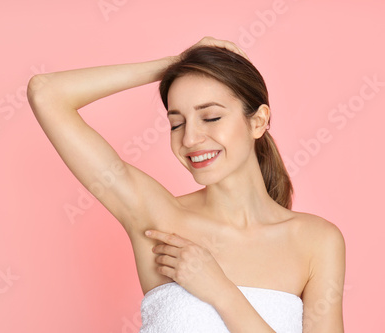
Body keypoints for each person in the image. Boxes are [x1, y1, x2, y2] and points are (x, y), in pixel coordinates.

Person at [27, 37, 345, 332]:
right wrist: (176, 63)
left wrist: (221, 291)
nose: (190, 139)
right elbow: (46, 93)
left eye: (210, 117)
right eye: (176, 123)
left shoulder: (316, 242)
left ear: (258, 121)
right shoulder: (156, 218)